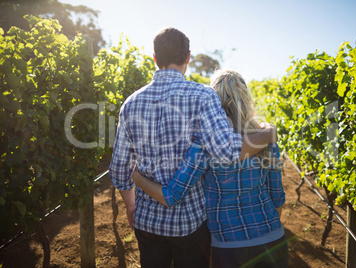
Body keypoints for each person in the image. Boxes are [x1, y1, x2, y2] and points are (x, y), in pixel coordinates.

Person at [109, 27, 277, 268]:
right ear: (187, 57)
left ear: (154, 58)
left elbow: (118, 169)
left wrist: (131, 205)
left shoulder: (130, 103)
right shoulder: (204, 96)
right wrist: (268, 134)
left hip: (147, 223)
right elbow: (227, 152)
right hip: (190, 226)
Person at [132, 69, 289, 268]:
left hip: (229, 247)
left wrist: (136, 177)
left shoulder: (205, 142)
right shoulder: (266, 136)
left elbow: (171, 195)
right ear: (245, 97)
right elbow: (278, 198)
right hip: (273, 240)